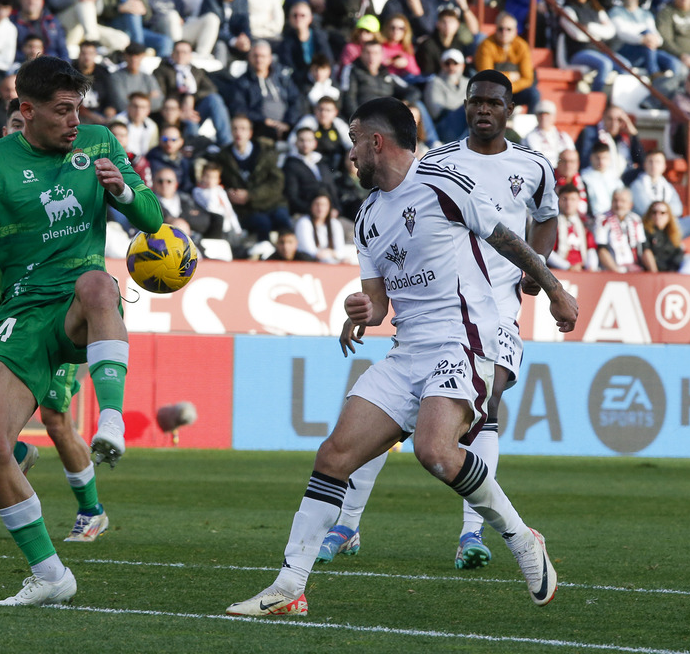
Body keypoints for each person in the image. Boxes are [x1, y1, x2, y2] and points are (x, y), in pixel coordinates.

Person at [226, 92, 577, 617]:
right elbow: (379, 301)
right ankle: (289, 587)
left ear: (376, 142)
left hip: (466, 337)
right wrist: (359, 309)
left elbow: (508, 240)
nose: (349, 156)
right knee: (333, 456)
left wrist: (555, 290)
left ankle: (523, 539)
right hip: (408, 349)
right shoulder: (367, 216)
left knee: (434, 451)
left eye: (352, 144)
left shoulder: (444, 185)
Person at [317, 72, 558, 570]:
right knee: (392, 416)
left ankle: (475, 532)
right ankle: (347, 521)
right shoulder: (439, 163)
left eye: (494, 102)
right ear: (466, 106)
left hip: (497, 311)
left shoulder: (534, 165)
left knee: (480, 413)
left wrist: (541, 272)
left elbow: (545, 218)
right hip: (435, 314)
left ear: (509, 109)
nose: (483, 110)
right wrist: (372, 304)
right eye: (475, 102)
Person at [0, 56, 162, 605]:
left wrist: (121, 191)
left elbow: (153, 218)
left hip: (75, 307)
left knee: (99, 283)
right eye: (63, 110)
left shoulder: (98, 143)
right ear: (26, 111)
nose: (75, 120)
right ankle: (50, 575)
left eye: (79, 108)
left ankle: (112, 420)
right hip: (18, 318)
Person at [595, 187, 656, 273]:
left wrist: (654, 273)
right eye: (615, 200)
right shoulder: (602, 219)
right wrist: (617, 272)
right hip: (611, 270)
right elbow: (601, 249)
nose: (618, 204)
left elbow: (644, 249)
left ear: (630, 204)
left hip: (634, 268)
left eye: (623, 201)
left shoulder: (635, 219)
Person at [548, 183, 597, 271]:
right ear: (558, 200)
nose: (568, 203)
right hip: (559, 271)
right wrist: (568, 267)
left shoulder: (585, 223)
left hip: (582, 270)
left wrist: (591, 267)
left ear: (578, 201)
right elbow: (548, 252)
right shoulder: (552, 223)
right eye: (564, 199)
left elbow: (591, 249)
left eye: (573, 199)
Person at [642, 200, 688, 273]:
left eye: (662, 213)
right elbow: (645, 251)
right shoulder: (645, 231)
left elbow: (678, 255)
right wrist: (655, 274)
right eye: (654, 212)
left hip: (673, 271)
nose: (658, 216)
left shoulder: (673, 234)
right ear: (649, 214)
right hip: (656, 271)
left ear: (668, 216)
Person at [523, 100, 573, 166]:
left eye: (547, 114)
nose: (544, 117)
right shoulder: (529, 138)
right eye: (540, 114)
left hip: (562, 172)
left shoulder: (564, 136)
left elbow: (572, 157)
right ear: (536, 116)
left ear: (554, 116)